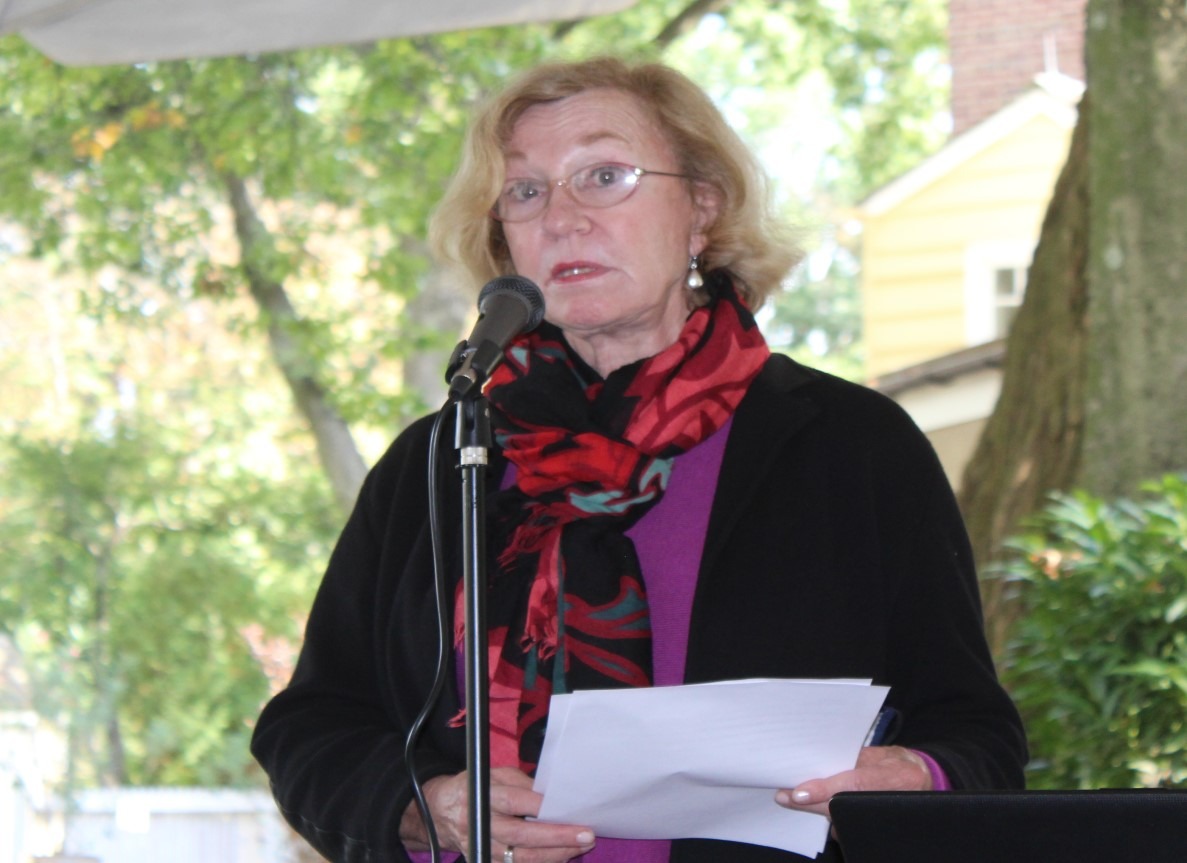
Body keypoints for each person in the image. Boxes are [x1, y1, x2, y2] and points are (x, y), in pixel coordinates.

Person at [251, 56, 1027, 863]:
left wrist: (918, 776)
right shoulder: (445, 457)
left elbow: (975, 732)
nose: (561, 217)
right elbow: (310, 727)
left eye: (604, 174)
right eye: (524, 191)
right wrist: (423, 804)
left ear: (701, 208)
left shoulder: (851, 444)